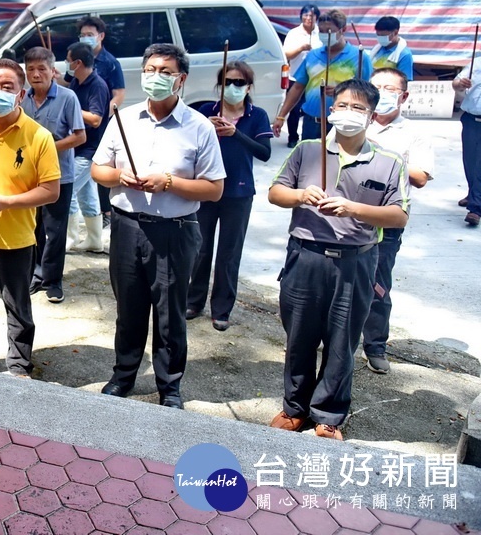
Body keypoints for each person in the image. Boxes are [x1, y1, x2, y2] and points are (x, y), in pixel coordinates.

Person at [267, 79, 409, 440]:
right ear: (330, 111)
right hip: (306, 256)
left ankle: (328, 414)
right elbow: (275, 192)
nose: (348, 113)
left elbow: (398, 216)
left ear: (372, 115)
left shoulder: (388, 162)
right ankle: (294, 408)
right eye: (342, 105)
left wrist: (353, 209)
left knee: (343, 340)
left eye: (358, 108)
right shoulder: (307, 150)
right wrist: (299, 195)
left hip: (356, 263)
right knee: (299, 336)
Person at [91, 44, 225, 409]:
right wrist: (121, 175)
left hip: (174, 231)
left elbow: (214, 188)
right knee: (129, 309)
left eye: (165, 71)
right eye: (150, 69)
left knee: (169, 314)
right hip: (127, 226)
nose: (156, 77)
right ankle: (123, 376)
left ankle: (170, 386)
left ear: (181, 79)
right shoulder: (124, 118)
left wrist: (169, 182)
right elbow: (98, 170)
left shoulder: (198, 127)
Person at [0, 59, 61, 377]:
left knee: (17, 306)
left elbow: (51, 190)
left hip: (16, 238)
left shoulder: (39, 137)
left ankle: (18, 364)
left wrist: (6, 201)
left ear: (21, 94)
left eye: (7, 87)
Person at [186, 61, 272, 331]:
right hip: (207, 188)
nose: (233, 88)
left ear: (248, 87)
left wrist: (236, 134)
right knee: (200, 249)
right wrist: (204, 130)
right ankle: (194, 300)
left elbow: (265, 152)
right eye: (228, 82)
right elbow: (187, 146)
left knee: (229, 253)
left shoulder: (256, 115)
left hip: (239, 191)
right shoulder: (204, 111)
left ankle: (222, 308)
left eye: (239, 83)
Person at [362, 68, 434, 373]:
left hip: (387, 221)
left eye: (389, 89)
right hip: (347, 215)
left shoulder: (413, 134)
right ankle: (336, 338)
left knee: (377, 284)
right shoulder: (356, 123)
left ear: (403, 96)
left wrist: (385, 159)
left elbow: (420, 176)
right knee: (340, 281)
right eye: (376, 87)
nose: (382, 93)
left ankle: (375, 345)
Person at [21, 47, 85, 302]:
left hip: (60, 174)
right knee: (31, 227)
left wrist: (46, 149)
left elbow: (80, 136)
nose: (36, 75)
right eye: (31, 70)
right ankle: (35, 274)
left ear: (52, 71)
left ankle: (53, 281)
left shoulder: (68, 98)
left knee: (55, 230)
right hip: (26, 174)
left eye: (41, 69)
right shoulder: (21, 98)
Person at [272, 9, 372, 142]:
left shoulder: (359, 57)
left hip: (343, 122)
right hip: (311, 122)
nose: (325, 35)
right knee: (309, 160)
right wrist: (281, 116)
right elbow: (297, 87)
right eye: (321, 31)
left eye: (329, 31)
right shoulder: (312, 55)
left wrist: (341, 91)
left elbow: (368, 92)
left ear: (343, 30)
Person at [76, 15, 125, 228]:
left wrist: (102, 115)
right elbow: (71, 83)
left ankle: (106, 213)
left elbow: (119, 94)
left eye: (90, 35)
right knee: (87, 185)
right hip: (80, 126)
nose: (86, 38)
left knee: (98, 168)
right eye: (83, 35)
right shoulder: (80, 58)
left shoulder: (111, 63)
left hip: (99, 124)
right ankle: (95, 233)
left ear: (101, 36)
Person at [65, 42, 111, 253]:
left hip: (89, 149)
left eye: (68, 61)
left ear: (78, 62)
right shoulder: (76, 81)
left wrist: (72, 106)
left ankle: (70, 237)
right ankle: (94, 240)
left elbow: (95, 119)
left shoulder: (97, 85)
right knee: (86, 194)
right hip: (77, 147)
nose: (67, 64)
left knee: (68, 190)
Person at [282, 5, 321, 147]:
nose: (308, 18)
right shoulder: (294, 33)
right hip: (296, 78)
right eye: (305, 15)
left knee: (312, 109)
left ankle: (311, 137)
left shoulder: (320, 33)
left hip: (315, 79)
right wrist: (301, 48)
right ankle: (293, 137)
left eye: (312, 16)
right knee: (293, 110)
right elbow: (286, 54)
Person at [454, 61, 481, 227]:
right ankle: (474, 193)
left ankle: (475, 208)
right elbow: (455, 84)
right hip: (471, 120)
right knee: (470, 161)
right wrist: (460, 84)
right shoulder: (476, 62)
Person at [371, 16, 415, 80]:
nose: (381, 38)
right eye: (378, 35)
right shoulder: (376, 50)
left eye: (383, 36)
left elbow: (404, 81)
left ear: (395, 32)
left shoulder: (404, 55)